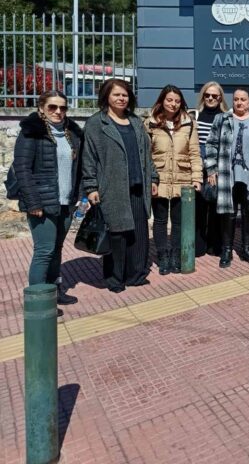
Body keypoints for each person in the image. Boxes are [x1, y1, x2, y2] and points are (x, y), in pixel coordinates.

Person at [82, 79, 157, 293]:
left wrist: (153, 178)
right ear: (106, 96)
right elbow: (89, 158)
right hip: (112, 188)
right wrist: (91, 187)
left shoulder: (135, 121)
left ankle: (136, 274)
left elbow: (147, 154)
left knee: (138, 234)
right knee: (117, 234)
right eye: (117, 94)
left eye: (125, 95)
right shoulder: (97, 123)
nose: (121, 98)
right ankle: (115, 278)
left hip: (138, 187)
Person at [13, 90, 83, 312]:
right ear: (41, 108)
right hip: (41, 203)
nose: (58, 111)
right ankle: (38, 303)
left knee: (57, 249)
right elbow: (22, 169)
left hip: (66, 202)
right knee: (44, 251)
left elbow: (78, 168)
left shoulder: (72, 133)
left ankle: (54, 291)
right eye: (52, 107)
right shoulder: (31, 132)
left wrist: (79, 195)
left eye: (63, 107)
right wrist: (33, 203)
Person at [205, 87, 249, 268]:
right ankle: (226, 250)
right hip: (228, 174)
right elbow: (211, 144)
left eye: (243, 99)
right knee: (229, 213)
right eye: (236, 99)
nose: (239, 102)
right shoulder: (222, 119)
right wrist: (211, 169)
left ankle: (246, 249)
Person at [144, 85, 203, 274]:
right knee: (160, 220)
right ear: (162, 101)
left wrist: (197, 178)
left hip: (183, 177)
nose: (173, 104)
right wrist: (150, 179)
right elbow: (146, 155)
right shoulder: (150, 123)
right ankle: (163, 256)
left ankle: (176, 255)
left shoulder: (189, 123)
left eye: (177, 101)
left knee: (178, 221)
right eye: (169, 100)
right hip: (159, 178)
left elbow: (194, 152)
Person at [193, 81, 229, 256]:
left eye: (214, 95)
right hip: (198, 168)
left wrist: (215, 168)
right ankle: (198, 245)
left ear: (220, 97)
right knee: (199, 208)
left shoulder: (226, 117)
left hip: (218, 168)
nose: (210, 98)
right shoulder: (195, 116)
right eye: (207, 95)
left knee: (215, 207)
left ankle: (215, 244)